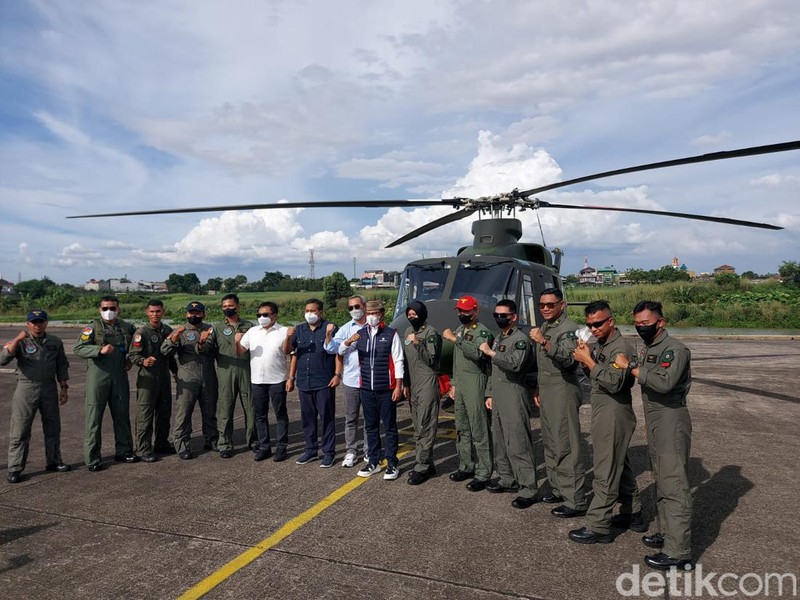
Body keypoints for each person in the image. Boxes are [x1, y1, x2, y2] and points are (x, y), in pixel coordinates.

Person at [614, 300, 694, 571]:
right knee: (661, 478)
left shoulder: (675, 349)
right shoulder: (651, 348)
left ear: (661, 322)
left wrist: (629, 367)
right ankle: (667, 533)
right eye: (637, 323)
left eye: (645, 323)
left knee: (673, 485)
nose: (640, 328)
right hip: (656, 419)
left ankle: (678, 552)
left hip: (671, 418)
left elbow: (664, 382)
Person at [568, 301, 643, 544]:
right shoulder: (602, 344)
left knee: (605, 469)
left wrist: (589, 361)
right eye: (589, 325)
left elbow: (614, 383)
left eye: (598, 324)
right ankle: (633, 513)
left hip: (614, 409)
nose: (594, 329)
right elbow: (594, 375)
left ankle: (598, 525)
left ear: (611, 321)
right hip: (604, 408)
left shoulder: (621, 348)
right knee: (619, 462)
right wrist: (584, 358)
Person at [529, 287, 587, 517]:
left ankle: (576, 500)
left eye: (550, 305)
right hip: (548, 388)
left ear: (562, 305)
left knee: (567, 445)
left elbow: (568, 360)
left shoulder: (569, 329)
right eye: (542, 305)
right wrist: (537, 386)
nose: (545, 308)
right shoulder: (547, 326)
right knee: (551, 443)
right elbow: (542, 364)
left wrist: (544, 342)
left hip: (563, 389)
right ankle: (558, 488)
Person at [480, 299, 540, 508]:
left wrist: (491, 353)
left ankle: (528, 489)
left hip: (514, 394)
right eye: (496, 314)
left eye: (503, 315)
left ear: (513, 317)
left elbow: (515, 364)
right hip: (498, 394)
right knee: (500, 441)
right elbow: (492, 370)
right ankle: (507, 479)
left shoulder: (520, 339)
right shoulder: (499, 337)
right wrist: (489, 393)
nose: (499, 318)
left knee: (518, 442)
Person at [1, 309, 70, 483]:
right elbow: (2, 359)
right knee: (20, 429)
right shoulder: (21, 342)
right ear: (27, 324)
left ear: (46, 323)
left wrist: (63, 387)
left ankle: (54, 461)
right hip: (26, 388)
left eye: (40, 321)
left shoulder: (54, 341)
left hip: (48, 388)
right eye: (33, 322)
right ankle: (15, 468)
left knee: (53, 427)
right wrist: (17, 339)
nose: (37, 325)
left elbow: (61, 365)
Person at [74, 295, 139, 471]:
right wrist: (98, 349)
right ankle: (93, 458)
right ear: (99, 309)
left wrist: (131, 359)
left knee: (122, 415)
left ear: (118, 309)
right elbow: (78, 348)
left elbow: (136, 345)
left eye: (112, 308)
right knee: (94, 418)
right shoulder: (93, 328)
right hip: (98, 377)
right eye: (105, 308)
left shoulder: (126, 327)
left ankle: (124, 450)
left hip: (119, 376)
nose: (109, 311)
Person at [347, 300, 404, 481]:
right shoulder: (360, 334)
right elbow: (340, 350)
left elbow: (398, 360)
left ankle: (392, 462)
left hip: (386, 389)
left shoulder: (391, 333)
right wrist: (349, 341)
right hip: (366, 388)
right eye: (369, 313)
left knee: (389, 427)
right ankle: (374, 461)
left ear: (381, 314)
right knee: (370, 426)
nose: (371, 316)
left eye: (375, 313)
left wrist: (398, 386)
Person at [442, 295, 494, 492]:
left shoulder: (483, 332)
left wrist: (455, 339)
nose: (462, 314)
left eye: (466, 311)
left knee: (479, 428)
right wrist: (453, 383)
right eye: (460, 311)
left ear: (475, 311)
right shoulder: (459, 330)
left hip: (476, 382)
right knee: (462, 427)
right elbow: (456, 361)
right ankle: (466, 465)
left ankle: (484, 472)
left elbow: (478, 353)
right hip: (461, 383)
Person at [161, 301, 218, 460]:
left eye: (198, 312)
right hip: (187, 376)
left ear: (203, 314)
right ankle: (182, 445)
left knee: (210, 411)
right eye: (191, 312)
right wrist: (175, 338)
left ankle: (211, 439)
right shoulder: (180, 330)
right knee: (183, 413)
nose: (194, 315)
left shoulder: (211, 330)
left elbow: (213, 348)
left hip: (208, 375)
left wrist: (203, 341)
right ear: (186, 314)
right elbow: (164, 350)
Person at [287, 299, 339, 467]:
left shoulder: (330, 327)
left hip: (324, 381)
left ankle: (328, 452)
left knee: (326, 418)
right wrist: (291, 377)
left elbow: (338, 353)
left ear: (320, 312)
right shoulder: (299, 329)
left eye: (312, 310)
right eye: (307, 310)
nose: (309, 313)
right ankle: (310, 450)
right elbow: (289, 351)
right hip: (304, 381)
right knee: (307, 418)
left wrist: (337, 374)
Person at [236, 301, 291, 463]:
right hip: (257, 380)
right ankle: (264, 447)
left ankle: (281, 447)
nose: (261, 317)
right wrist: (236, 341)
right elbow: (240, 352)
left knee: (280, 414)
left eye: (265, 315)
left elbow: (289, 352)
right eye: (259, 315)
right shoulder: (253, 332)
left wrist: (289, 337)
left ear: (274, 315)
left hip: (277, 380)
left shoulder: (283, 331)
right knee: (260, 415)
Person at [128, 299, 177, 462]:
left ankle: (161, 443)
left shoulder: (168, 330)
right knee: (145, 414)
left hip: (164, 378)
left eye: (158, 311)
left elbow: (170, 356)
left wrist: (176, 373)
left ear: (163, 312)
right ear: (147, 313)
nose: (155, 314)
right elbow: (133, 355)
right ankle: (143, 449)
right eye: (152, 311)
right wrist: (143, 361)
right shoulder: (141, 333)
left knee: (164, 412)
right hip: (147, 379)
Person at [210, 293, 255, 458]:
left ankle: (253, 440)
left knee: (251, 408)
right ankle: (225, 444)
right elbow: (207, 348)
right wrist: (201, 342)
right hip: (225, 373)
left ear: (238, 306)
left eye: (230, 306)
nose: (227, 309)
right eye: (224, 306)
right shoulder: (216, 328)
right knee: (225, 409)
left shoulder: (249, 326)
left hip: (246, 371)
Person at [403, 300, 442, 485]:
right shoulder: (407, 332)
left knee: (426, 425)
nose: (412, 317)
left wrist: (418, 343)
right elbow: (405, 360)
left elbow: (431, 360)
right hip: (414, 383)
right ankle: (428, 463)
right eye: (409, 314)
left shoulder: (431, 333)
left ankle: (421, 466)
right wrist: (405, 383)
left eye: (415, 314)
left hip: (427, 382)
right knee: (418, 426)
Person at [328, 295, 369, 467]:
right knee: (351, 418)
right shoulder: (345, 328)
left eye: (357, 306)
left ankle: (369, 451)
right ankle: (351, 451)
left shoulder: (374, 326)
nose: (354, 310)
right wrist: (332, 335)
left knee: (370, 419)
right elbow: (332, 349)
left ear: (364, 306)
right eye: (350, 308)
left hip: (370, 380)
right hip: (351, 380)